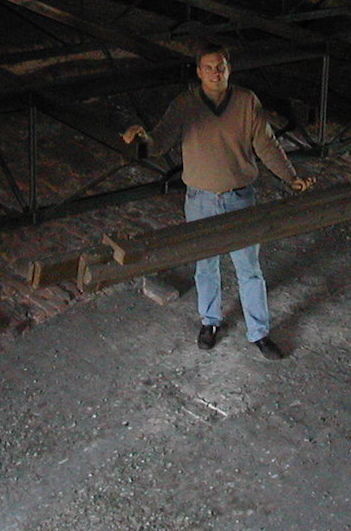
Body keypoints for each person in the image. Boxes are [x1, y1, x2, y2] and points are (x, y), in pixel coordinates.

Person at [122, 43, 315, 360]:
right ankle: (210, 322)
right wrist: (138, 139)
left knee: (249, 268)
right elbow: (158, 143)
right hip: (201, 200)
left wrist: (290, 177)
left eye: (221, 66)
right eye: (209, 67)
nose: (215, 72)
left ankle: (259, 332)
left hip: (240, 198)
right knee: (206, 266)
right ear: (198, 72)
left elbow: (266, 144)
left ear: (229, 69)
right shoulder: (185, 104)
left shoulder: (245, 101)